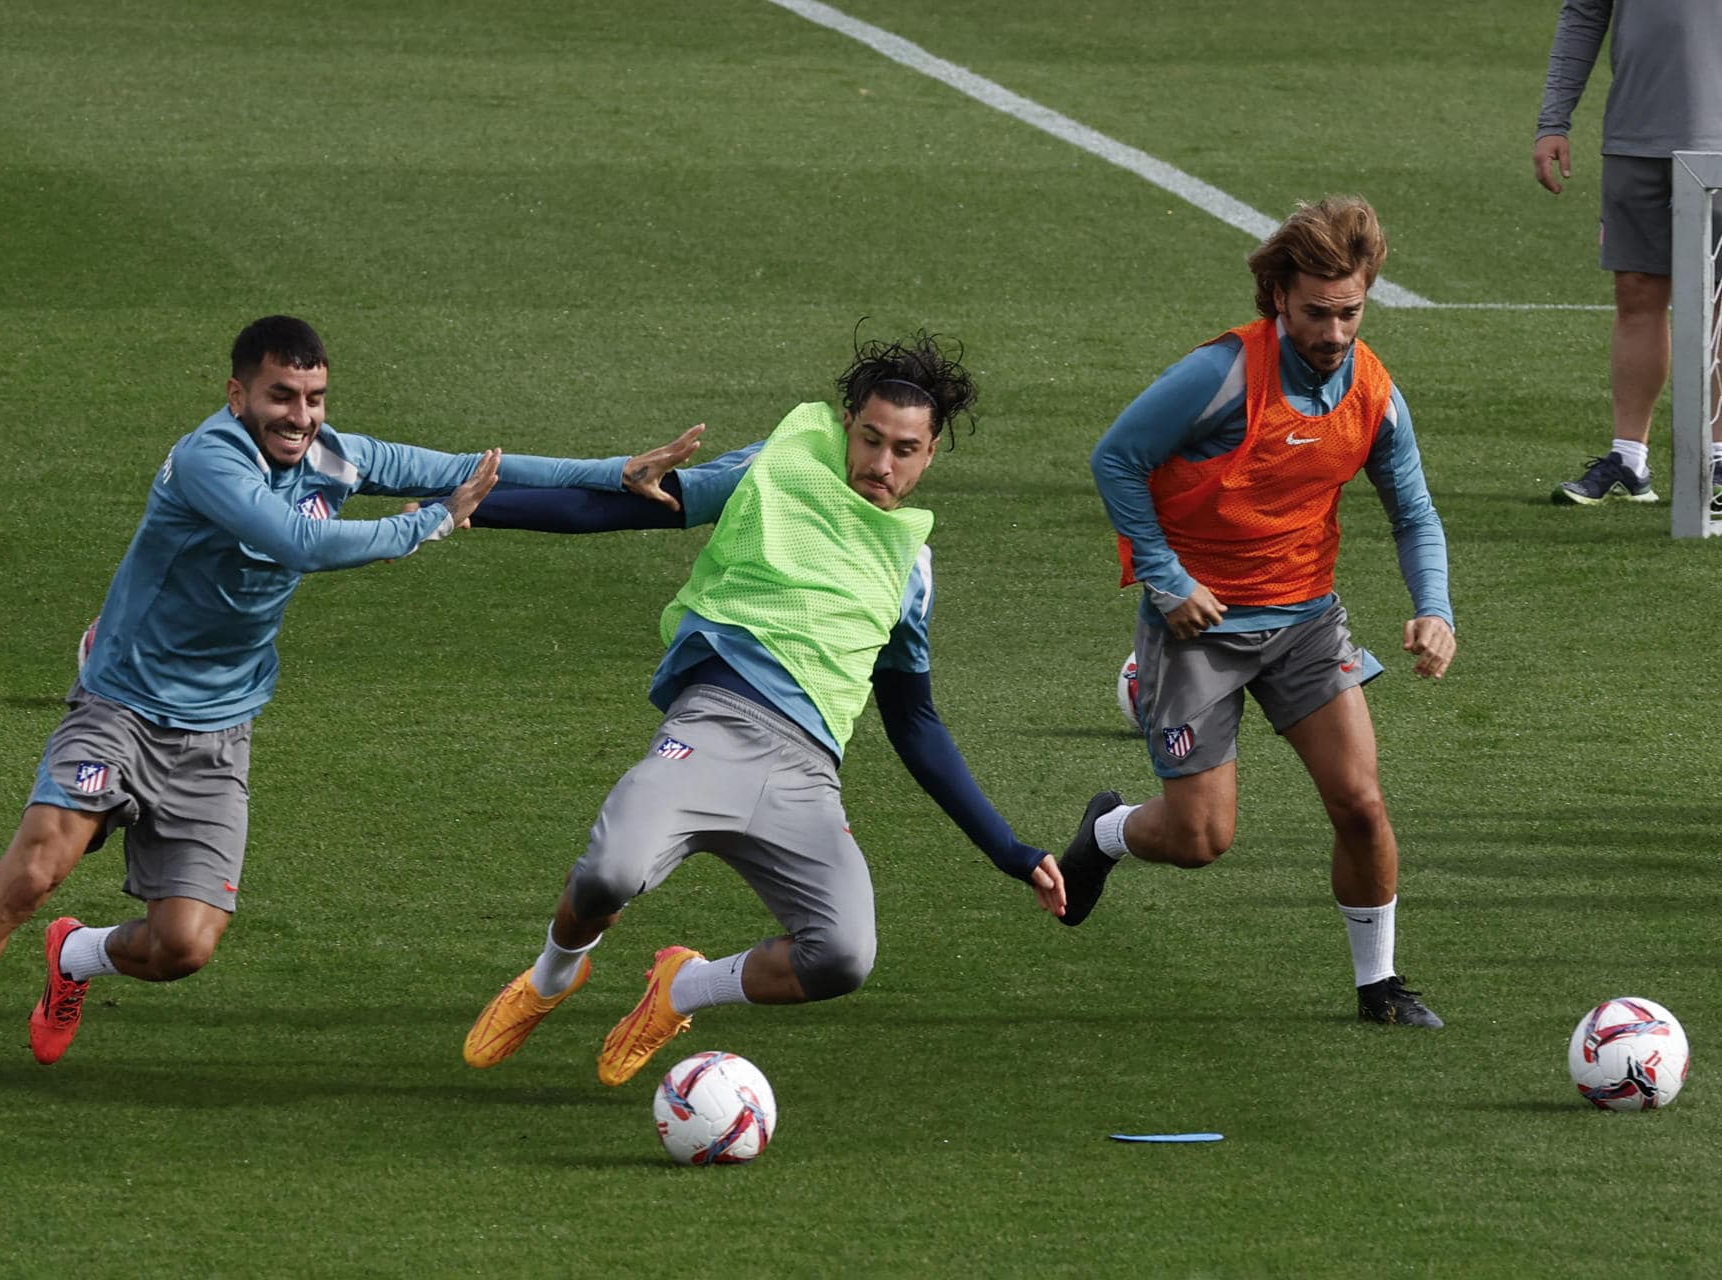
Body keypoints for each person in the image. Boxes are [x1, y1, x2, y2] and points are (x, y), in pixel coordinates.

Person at [0, 315, 702, 1109]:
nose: (299, 415)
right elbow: (298, 542)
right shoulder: (211, 459)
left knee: (184, 946)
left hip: (219, 731)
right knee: (35, 868)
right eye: (280, 396)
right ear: (238, 396)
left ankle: (74, 956)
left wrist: (614, 472)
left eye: (314, 398)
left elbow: (473, 468)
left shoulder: (335, 454)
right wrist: (428, 528)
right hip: (123, 705)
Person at [457, 329, 1067, 1088]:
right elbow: (639, 508)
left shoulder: (911, 565)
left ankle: (681, 988)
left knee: (844, 956)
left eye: (903, 450)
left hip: (806, 779)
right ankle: (551, 978)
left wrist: (1008, 850)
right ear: (847, 424)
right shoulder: (778, 463)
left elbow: (914, 720)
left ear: (931, 454)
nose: (880, 465)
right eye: (870, 440)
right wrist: (479, 509)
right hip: (712, 727)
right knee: (609, 873)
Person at [1076, 196, 1456, 1028]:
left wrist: (1435, 609)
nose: (1333, 331)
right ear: (1279, 297)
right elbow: (1117, 461)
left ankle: (1379, 985)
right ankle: (1105, 833)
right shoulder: (1218, 377)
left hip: (1307, 622)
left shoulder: (1375, 395)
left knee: (1360, 803)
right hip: (1199, 629)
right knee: (1200, 841)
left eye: (1349, 311)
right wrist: (1168, 580)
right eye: (1316, 312)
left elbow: (1414, 512)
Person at [1535, 0, 1722, 506]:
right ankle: (1629, 460)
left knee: (1719, 302)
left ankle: (1720, 458)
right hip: (1634, 138)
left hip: (1718, 140)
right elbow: (1584, 14)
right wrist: (1554, 120)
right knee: (1636, 293)